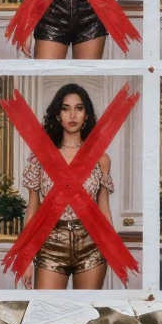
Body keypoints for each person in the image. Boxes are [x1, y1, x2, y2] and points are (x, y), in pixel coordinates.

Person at [21, 83, 115, 289]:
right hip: (51, 242)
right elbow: (33, 208)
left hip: (91, 242)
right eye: (66, 109)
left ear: (86, 115)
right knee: (47, 308)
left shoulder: (100, 159)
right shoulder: (41, 157)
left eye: (79, 108)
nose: (72, 115)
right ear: (57, 115)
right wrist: (26, 257)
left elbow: (104, 209)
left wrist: (113, 249)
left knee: (87, 308)